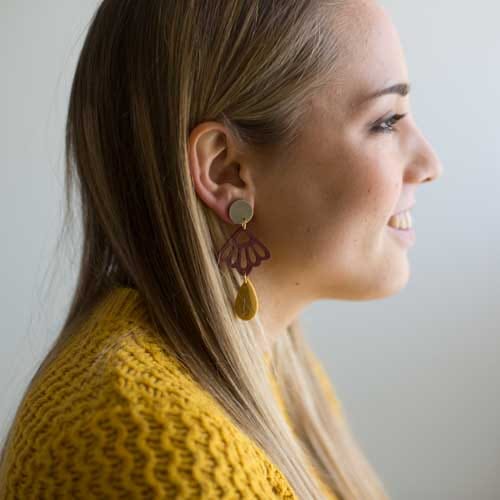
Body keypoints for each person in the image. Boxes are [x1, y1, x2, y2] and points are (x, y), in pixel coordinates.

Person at [0, 0, 442, 498]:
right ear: (225, 171)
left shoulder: (272, 367)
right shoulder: (161, 449)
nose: (430, 164)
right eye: (386, 121)